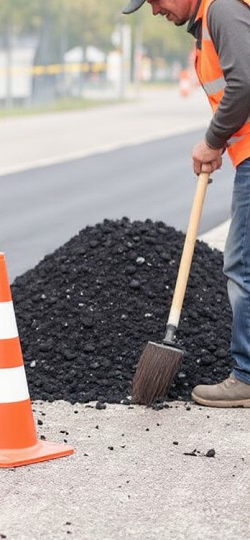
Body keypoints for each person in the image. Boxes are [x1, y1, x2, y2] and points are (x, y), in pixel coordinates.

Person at [124, 0, 250, 407]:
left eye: (155, 1)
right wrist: (220, 141)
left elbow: (245, 82)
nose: (155, 11)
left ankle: (247, 376)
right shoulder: (213, 20)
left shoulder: (222, 10)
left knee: (242, 265)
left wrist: (212, 140)